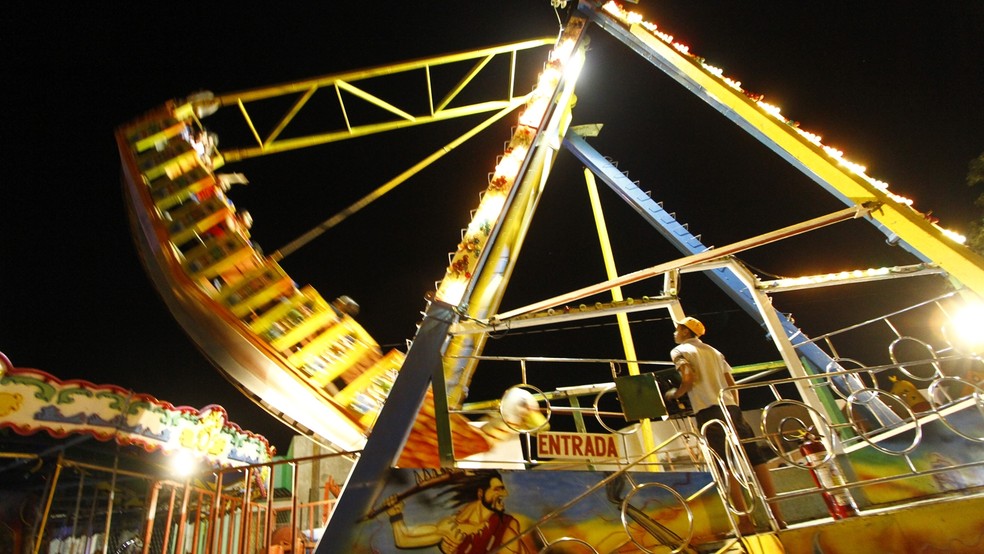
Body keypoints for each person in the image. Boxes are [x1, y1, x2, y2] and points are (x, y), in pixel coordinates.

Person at [663, 316, 787, 532]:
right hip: (731, 408)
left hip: (709, 412)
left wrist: (676, 394)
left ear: (685, 332)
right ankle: (778, 518)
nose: (674, 333)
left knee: (725, 465)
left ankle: (746, 522)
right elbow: (731, 383)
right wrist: (733, 407)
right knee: (756, 459)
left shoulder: (679, 351)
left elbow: (688, 377)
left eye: (677, 329)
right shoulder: (714, 351)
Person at [384, 470, 534, 553]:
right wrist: (396, 516)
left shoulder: (506, 525)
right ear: (481, 493)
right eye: (498, 489)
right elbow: (404, 540)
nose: (505, 494)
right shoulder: (450, 528)